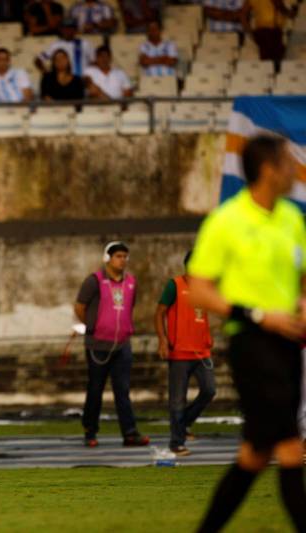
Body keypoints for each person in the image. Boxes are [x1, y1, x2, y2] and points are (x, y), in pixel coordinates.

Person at [188, 135, 306, 532]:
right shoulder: (227, 220)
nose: (296, 170)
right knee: (290, 448)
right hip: (252, 345)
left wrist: (303, 303)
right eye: (290, 163)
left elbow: (302, 278)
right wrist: (257, 315)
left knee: (256, 455)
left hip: (290, 345)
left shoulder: (292, 217)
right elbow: (199, 289)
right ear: (269, 170)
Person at [74, 241, 150, 448]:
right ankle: (90, 431)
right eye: (118, 256)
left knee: (123, 390)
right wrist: (93, 326)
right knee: (95, 389)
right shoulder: (94, 281)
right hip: (98, 345)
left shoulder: (131, 282)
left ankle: (130, 433)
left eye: (125, 256)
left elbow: (128, 308)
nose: (122, 260)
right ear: (107, 258)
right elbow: (80, 307)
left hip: (122, 345)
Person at [155, 250, 216, 457]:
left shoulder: (206, 287)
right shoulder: (175, 285)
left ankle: (185, 423)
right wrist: (163, 340)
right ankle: (177, 442)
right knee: (177, 399)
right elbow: (159, 312)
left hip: (201, 351)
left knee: (209, 390)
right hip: (179, 352)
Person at [242, 0, 296, 65]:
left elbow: (243, 15)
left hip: (275, 31)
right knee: (271, 63)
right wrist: (249, 32)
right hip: (266, 32)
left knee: (273, 62)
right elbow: (243, 15)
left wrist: (249, 32)